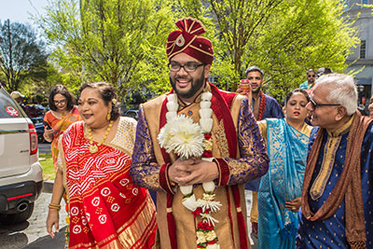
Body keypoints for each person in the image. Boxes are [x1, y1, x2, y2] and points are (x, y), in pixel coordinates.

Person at [130, 17, 269, 249]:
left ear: (207, 69)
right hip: (174, 225)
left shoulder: (236, 106)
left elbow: (260, 161)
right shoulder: (150, 111)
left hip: (224, 225)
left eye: (190, 65)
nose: (181, 73)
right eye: (175, 65)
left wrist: (216, 169)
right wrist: (169, 173)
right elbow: (137, 169)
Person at [46, 82, 157, 248]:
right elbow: (62, 172)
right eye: (81, 102)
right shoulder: (72, 134)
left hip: (132, 217)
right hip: (87, 225)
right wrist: (53, 209)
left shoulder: (128, 127)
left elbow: (149, 165)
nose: (84, 108)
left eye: (91, 102)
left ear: (109, 104)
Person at [296, 73, 373, 248]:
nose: (308, 107)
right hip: (307, 235)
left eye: (315, 104)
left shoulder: (369, 138)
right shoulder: (317, 133)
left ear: (340, 112)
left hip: (345, 241)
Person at [257, 89, 312, 249]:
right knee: (270, 242)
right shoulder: (270, 127)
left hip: (301, 201)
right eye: (292, 103)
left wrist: (305, 200)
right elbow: (246, 128)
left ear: (308, 109)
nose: (297, 108)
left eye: (303, 105)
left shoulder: (315, 134)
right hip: (270, 200)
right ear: (284, 107)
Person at [237, 66, 284, 238]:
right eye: (250, 78)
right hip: (241, 152)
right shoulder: (238, 100)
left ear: (262, 81)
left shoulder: (270, 102)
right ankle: (238, 221)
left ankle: (256, 222)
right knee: (238, 187)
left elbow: (279, 125)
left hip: (263, 151)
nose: (254, 81)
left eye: (257, 78)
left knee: (260, 189)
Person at [43, 85, 81, 171]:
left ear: (68, 99)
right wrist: (47, 134)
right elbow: (49, 139)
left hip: (78, 150)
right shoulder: (48, 115)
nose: (59, 104)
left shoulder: (78, 111)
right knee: (61, 178)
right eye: (56, 102)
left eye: (62, 101)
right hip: (58, 151)